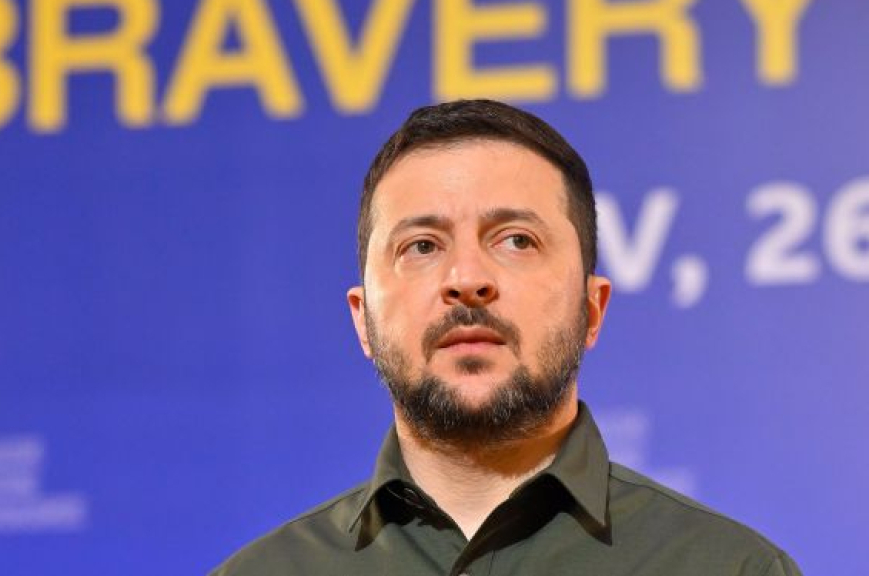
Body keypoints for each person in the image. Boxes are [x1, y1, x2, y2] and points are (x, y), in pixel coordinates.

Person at [211, 100, 801, 576]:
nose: (467, 279)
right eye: (422, 246)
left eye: (517, 240)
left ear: (592, 309)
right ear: (362, 320)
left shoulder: (731, 568)